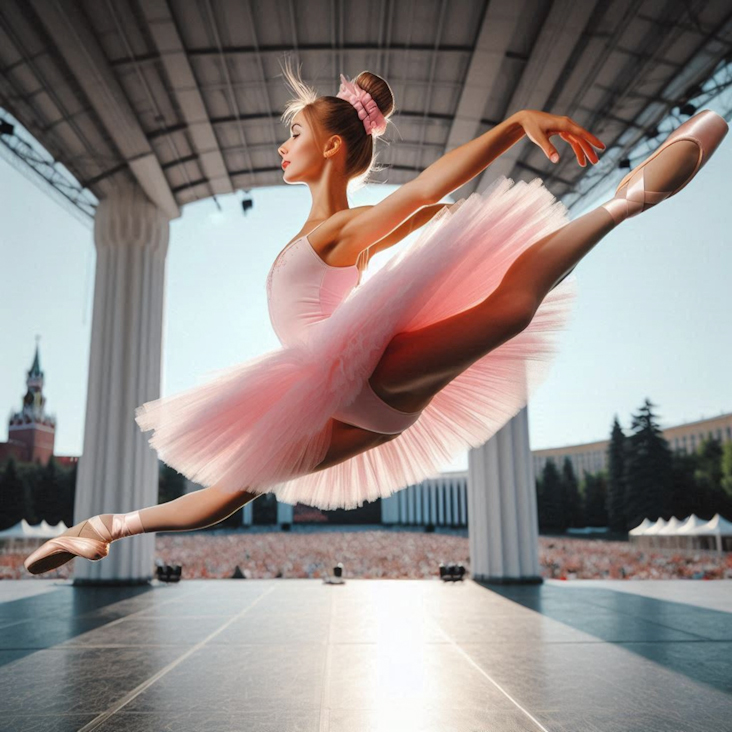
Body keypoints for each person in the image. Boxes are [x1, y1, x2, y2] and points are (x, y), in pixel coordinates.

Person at [24, 57, 728, 575]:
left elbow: (425, 188)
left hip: (357, 383)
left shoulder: (342, 232)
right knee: (237, 486)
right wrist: (439, 211)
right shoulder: (337, 233)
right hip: (349, 398)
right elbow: (421, 208)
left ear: (330, 147)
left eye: (292, 132)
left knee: (507, 313)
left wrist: (514, 126)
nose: (281, 145)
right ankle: (102, 528)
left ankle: (626, 201)